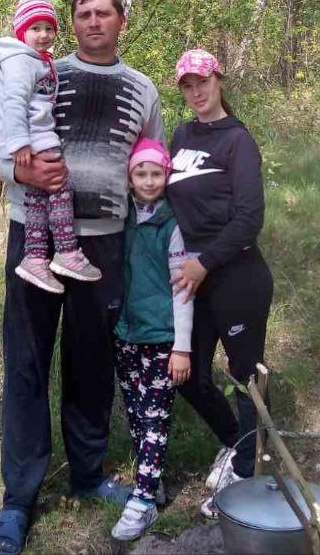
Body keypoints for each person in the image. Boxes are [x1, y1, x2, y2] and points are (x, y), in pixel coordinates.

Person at [0, 0, 164, 555]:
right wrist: (24, 175)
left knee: (91, 364)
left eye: (102, 14)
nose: (91, 23)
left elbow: (150, 170)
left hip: (104, 247)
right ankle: (18, 499)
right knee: (28, 364)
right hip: (33, 243)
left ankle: (86, 473)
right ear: (71, 24)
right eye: (82, 15)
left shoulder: (143, 90)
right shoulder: (39, 69)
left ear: (121, 21)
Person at [165, 48, 272, 517]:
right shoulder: (181, 135)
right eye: (186, 85)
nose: (196, 92)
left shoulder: (238, 141)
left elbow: (250, 218)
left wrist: (204, 263)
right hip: (192, 275)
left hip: (236, 274)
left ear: (219, 80)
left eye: (202, 82)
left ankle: (247, 474)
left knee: (245, 375)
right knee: (187, 373)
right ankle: (237, 442)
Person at [0, 0, 102, 293]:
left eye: (48, 28)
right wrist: (19, 143)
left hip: (37, 134)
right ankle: (66, 251)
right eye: (35, 28)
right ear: (21, 31)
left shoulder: (38, 61)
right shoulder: (19, 62)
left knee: (38, 198)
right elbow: (12, 103)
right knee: (60, 186)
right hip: (34, 138)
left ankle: (35, 258)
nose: (43, 35)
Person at [110, 138, 193, 542]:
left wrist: (182, 346)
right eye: (140, 173)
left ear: (166, 176)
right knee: (136, 413)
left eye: (155, 173)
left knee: (155, 417)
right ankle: (152, 478)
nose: (147, 180)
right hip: (126, 333)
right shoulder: (122, 217)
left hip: (161, 337)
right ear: (129, 178)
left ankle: (142, 500)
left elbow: (183, 290)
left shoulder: (173, 225)